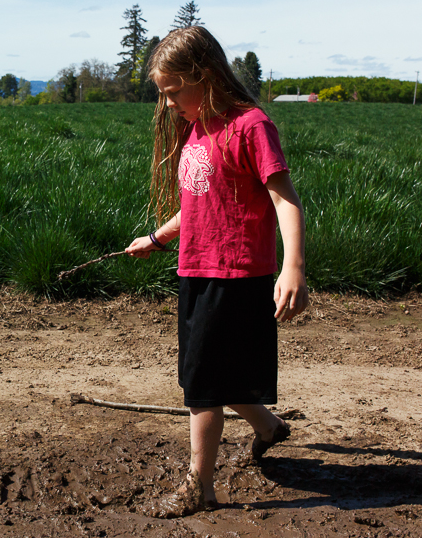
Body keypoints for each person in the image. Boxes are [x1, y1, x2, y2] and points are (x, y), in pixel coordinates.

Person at [125, 26, 309, 518]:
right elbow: (198, 202)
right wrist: (158, 238)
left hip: (237, 275)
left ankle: (198, 487)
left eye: (171, 92)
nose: (167, 105)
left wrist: (292, 267)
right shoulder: (198, 128)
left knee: (201, 386)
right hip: (196, 270)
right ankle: (269, 428)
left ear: (203, 76)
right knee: (208, 372)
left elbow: (284, 199)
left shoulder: (250, 126)